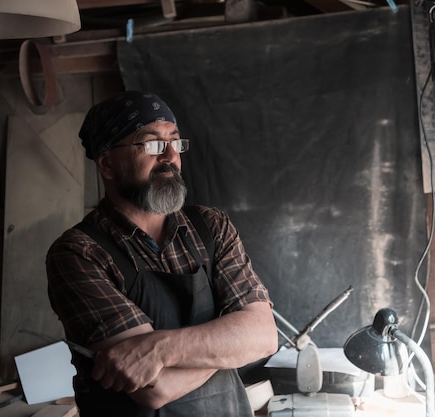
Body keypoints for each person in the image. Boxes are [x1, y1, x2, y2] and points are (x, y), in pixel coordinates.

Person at [46, 90, 278, 417]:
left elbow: (265, 336)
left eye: (175, 141)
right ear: (108, 163)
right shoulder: (79, 253)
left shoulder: (211, 227)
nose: (170, 156)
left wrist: (158, 349)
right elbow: (155, 389)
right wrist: (228, 345)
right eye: (152, 144)